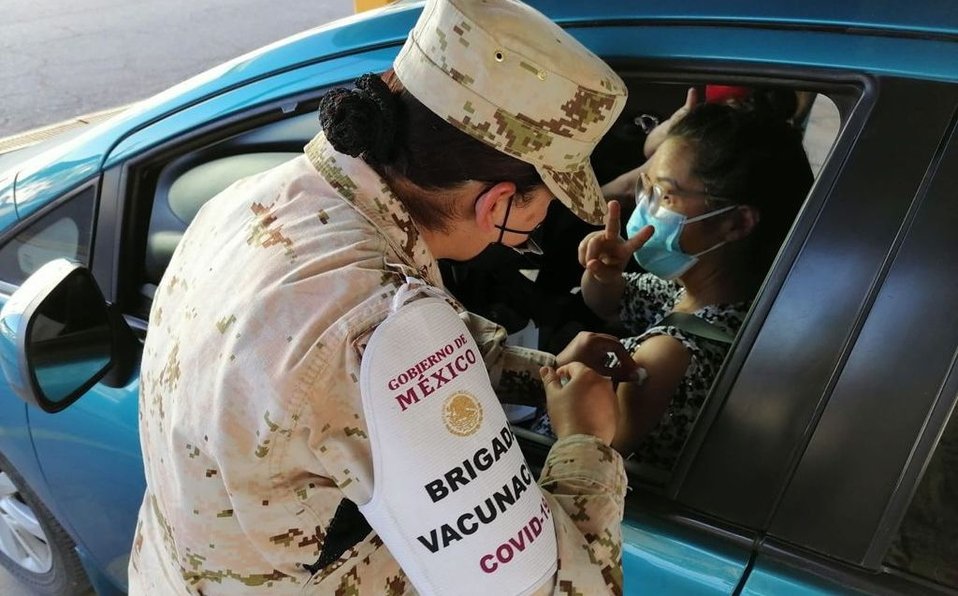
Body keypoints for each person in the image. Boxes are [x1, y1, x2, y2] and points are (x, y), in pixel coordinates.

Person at [128, 0, 638, 594]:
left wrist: (540, 374)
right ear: (498, 204)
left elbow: (335, 383)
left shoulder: (251, 200)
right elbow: (557, 587)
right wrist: (586, 444)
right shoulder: (381, 326)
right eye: (545, 205)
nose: (540, 225)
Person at [576, 93, 814, 479]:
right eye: (646, 188)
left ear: (736, 223)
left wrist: (565, 373)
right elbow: (612, 304)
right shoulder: (714, 296)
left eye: (665, 194)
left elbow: (587, 461)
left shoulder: (668, 356)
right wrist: (604, 276)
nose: (645, 207)